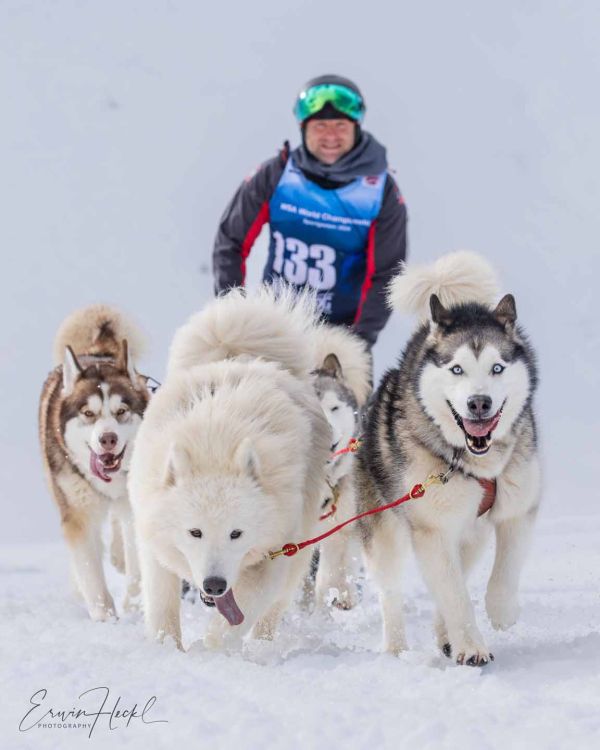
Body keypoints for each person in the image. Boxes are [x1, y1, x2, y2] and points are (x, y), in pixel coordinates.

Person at [212, 74, 407, 349]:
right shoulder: (276, 174)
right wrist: (234, 315)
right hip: (272, 330)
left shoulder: (379, 191)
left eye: (340, 125)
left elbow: (387, 274)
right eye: (320, 126)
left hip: (338, 340)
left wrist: (358, 341)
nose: (330, 136)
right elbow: (230, 242)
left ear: (356, 127)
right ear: (303, 127)